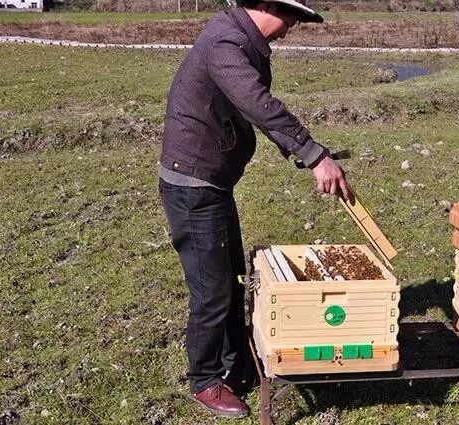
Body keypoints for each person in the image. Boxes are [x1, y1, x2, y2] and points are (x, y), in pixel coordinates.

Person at [158, 0, 352, 419]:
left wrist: (306, 152)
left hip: (210, 182)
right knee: (212, 290)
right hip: (193, 186)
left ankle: (235, 365)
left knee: (229, 279)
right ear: (265, 5)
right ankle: (205, 380)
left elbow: (255, 110)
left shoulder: (239, 39)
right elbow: (256, 103)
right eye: (291, 16)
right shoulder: (226, 44)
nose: (292, 26)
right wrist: (314, 155)